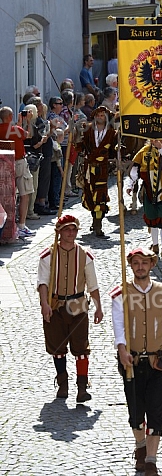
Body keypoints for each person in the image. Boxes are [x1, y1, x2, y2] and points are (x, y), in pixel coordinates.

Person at [110, 247, 162, 476]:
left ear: (152, 265)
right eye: (136, 263)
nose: (140, 267)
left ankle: (151, 459)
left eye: (144, 263)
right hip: (131, 361)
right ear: (131, 266)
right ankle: (140, 445)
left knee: (156, 411)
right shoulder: (120, 294)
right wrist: (122, 350)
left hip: (157, 361)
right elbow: (118, 327)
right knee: (136, 411)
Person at [37, 214, 103, 402]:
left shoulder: (85, 255)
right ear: (59, 232)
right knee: (58, 347)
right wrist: (44, 304)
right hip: (56, 306)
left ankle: (82, 387)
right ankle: (63, 383)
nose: (71, 233)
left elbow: (93, 284)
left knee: (81, 347)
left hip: (78, 306)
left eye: (74, 229)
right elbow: (43, 283)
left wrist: (98, 307)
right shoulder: (48, 256)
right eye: (67, 229)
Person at [127, 139, 162, 257]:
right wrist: (130, 184)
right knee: (151, 217)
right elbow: (135, 169)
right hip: (148, 190)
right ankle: (155, 245)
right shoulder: (144, 151)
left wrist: (161, 148)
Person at [75, 106, 117, 236]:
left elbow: (114, 151)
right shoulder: (87, 130)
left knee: (100, 195)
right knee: (89, 194)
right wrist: (76, 137)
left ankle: (98, 224)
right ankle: (94, 219)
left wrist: (118, 152)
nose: (100, 117)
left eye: (103, 115)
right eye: (98, 115)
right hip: (88, 168)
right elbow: (79, 147)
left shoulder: (112, 133)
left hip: (103, 168)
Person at [0, 106, 35, 238]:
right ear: (10, 117)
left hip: (3, 165)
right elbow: (28, 135)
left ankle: (8, 225)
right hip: (19, 163)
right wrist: (28, 121)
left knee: (7, 196)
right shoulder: (15, 129)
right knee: (25, 193)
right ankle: (21, 225)